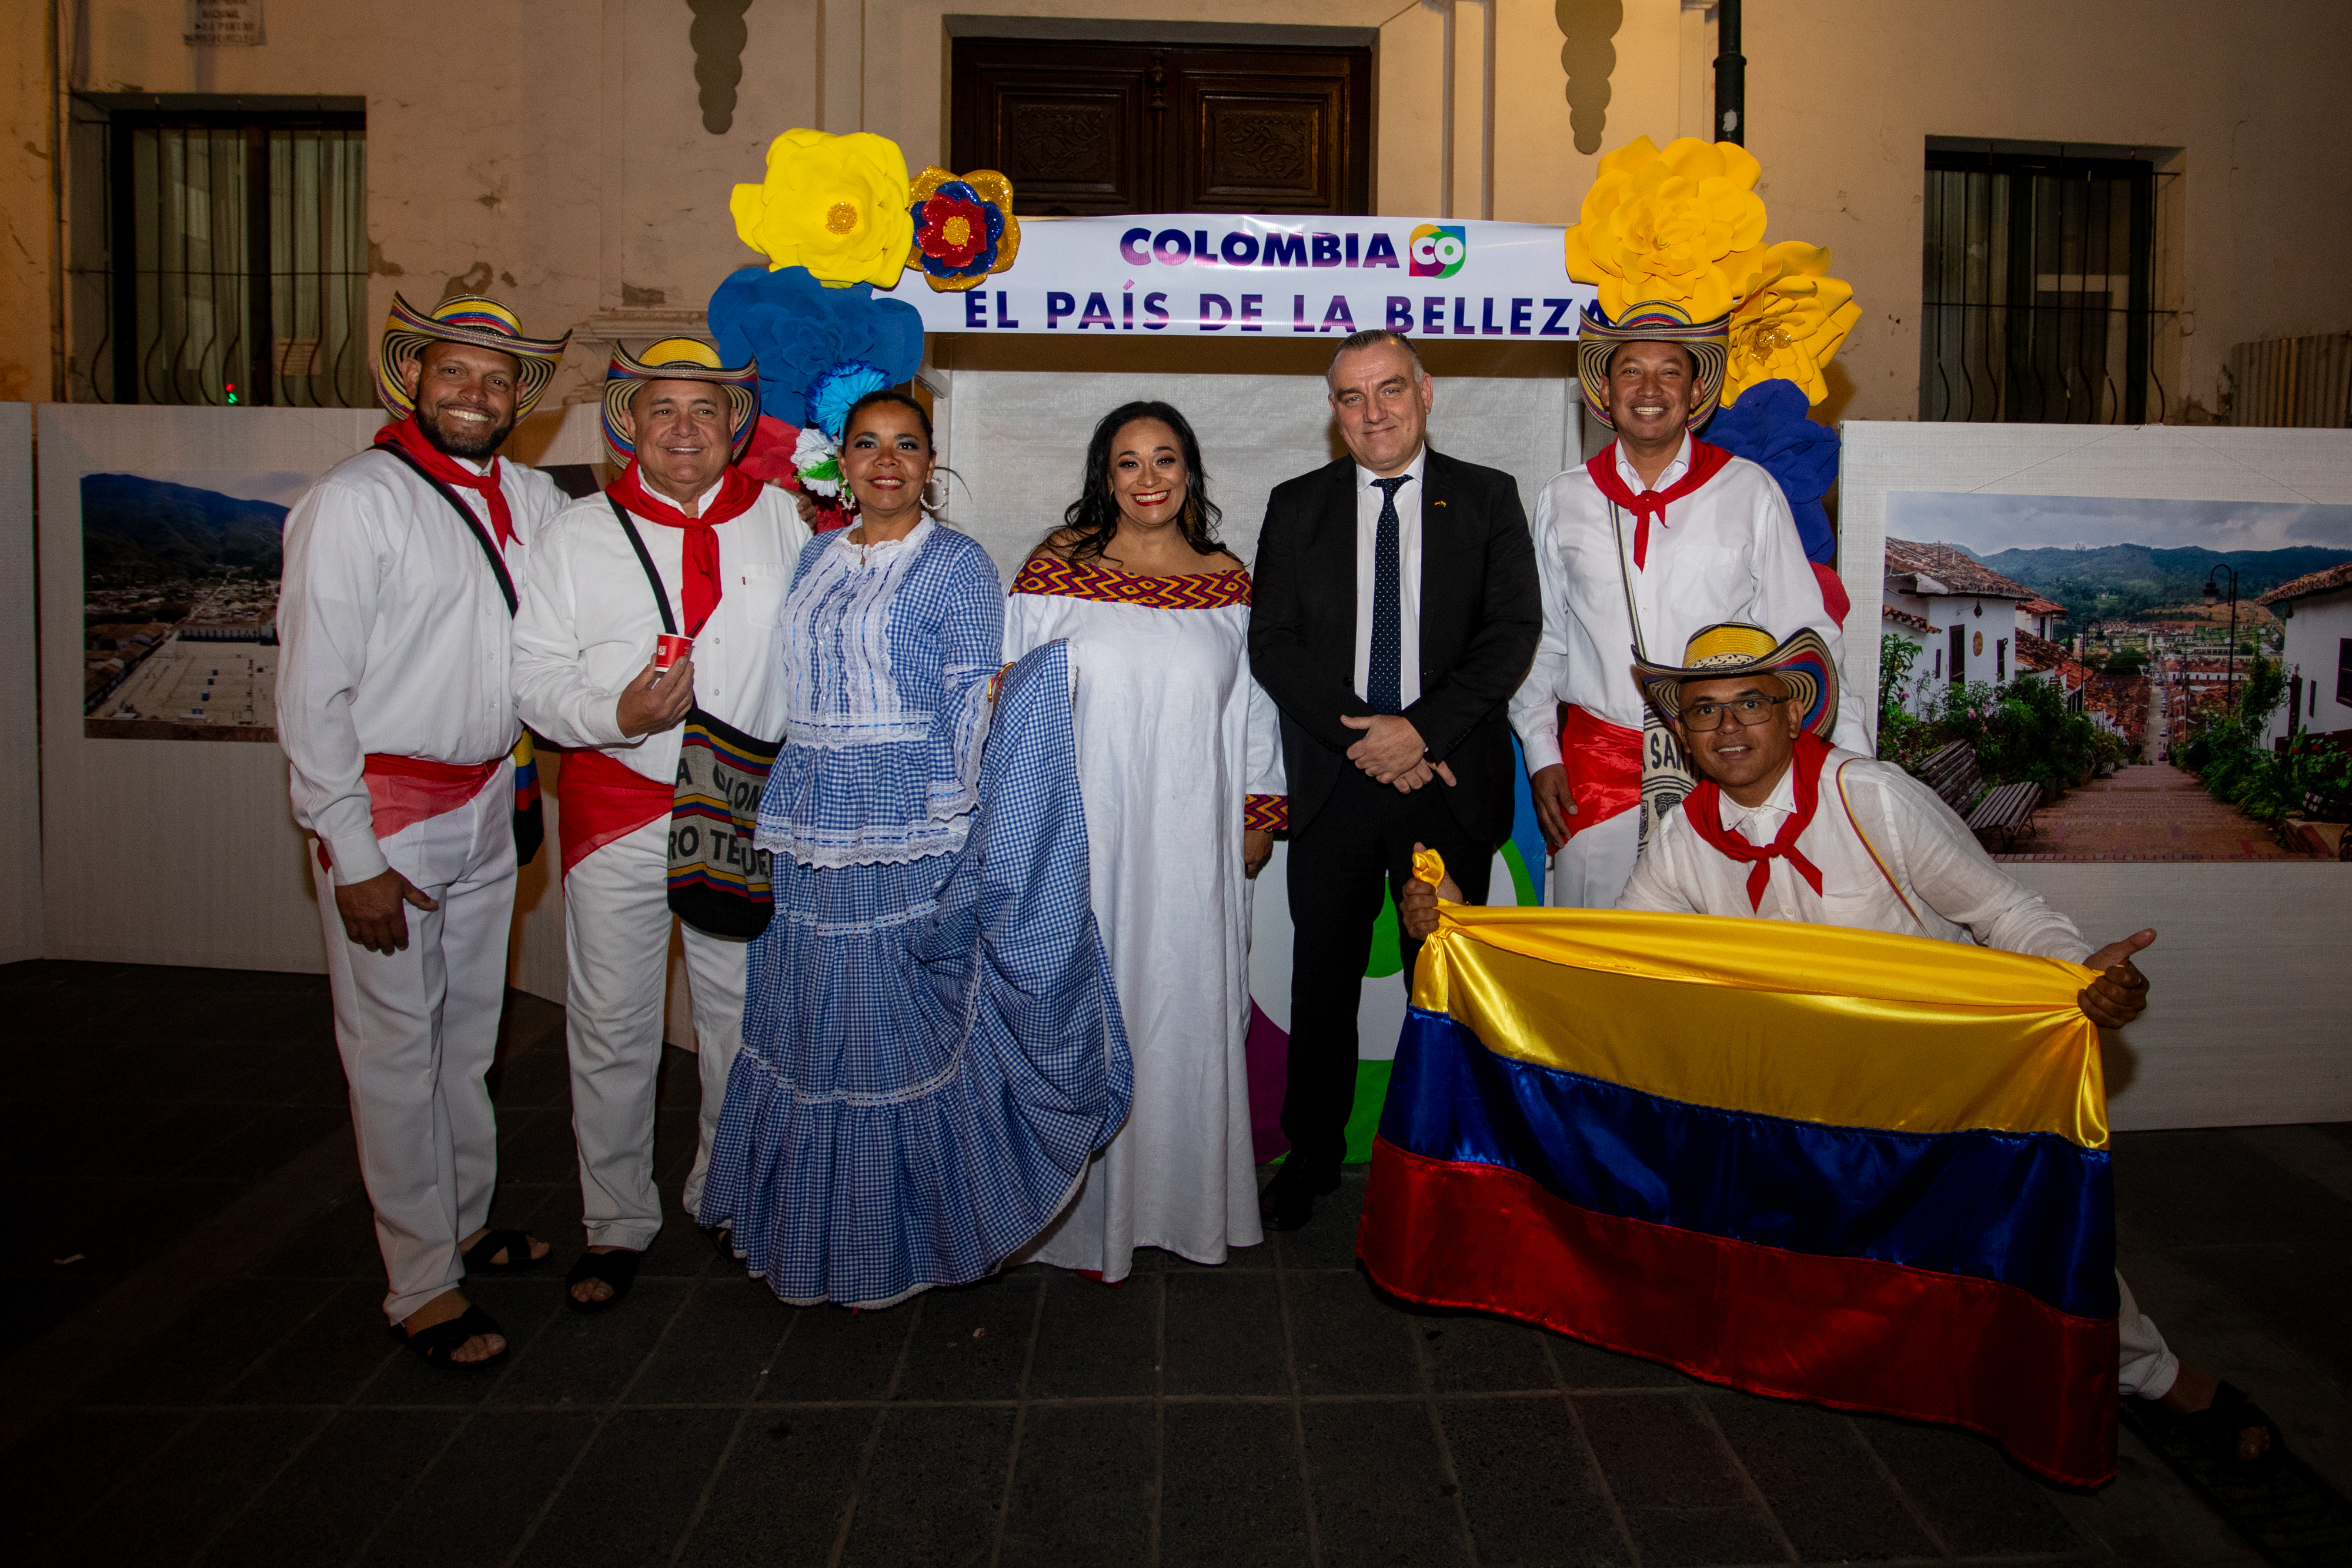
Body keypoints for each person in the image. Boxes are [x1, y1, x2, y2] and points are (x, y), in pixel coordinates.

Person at [1404, 620, 2278, 1468]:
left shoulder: (1875, 799)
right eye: (1703, 710)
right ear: (1682, 731)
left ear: (1794, 711)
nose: (1728, 726)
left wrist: (2076, 978)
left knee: (2026, 1224)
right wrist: (1471, 934)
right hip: (1800, 1093)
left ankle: (2160, 1375)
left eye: (1752, 703)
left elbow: (2005, 911)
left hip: (1932, 1078)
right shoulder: (1682, 839)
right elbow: (1617, 965)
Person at [697, 390, 1131, 1307]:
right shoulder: (815, 555)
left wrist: (969, 809)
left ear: (932, 461)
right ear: (840, 461)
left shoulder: (959, 564)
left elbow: (968, 699)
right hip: (811, 818)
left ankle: (899, 1238)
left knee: (894, 1032)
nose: (886, 461)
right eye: (868, 445)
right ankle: (814, 1232)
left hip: (906, 825)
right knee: (811, 1024)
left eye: (906, 445)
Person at [276, 293, 571, 1368]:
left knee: (467, 1036)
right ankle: (417, 1282)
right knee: (395, 1049)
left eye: (497, 380)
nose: (476, 395)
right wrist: (348, 852)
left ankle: (465, 1221)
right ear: (415, 378)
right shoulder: (356, 501)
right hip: (389, 819)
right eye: (456, 374)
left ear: (521, 400)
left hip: (493, 796)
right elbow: (311, 694)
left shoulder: (535, 497)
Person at [513, 339, 810, 1312]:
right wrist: (614, 717)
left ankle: (721, 1193)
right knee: (611, 1023)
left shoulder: (786, 522)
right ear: (629, 423)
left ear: (736, 425)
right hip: (616, 807)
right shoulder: (576, 534)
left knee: (736, 1019)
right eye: (662, 409)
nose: (685, 428)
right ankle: (616, 1219)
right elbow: (533, 674)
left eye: (705, 409)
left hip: (738, 810)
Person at [1248, 330, 1541, 1231]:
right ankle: (1315, 1153)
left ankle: (1450, 1155)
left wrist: (1420, 730)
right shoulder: (1297, 505)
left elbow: (1510, 633)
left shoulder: (1487, 497)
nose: (1372, 411)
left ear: (1426, 391)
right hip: (1340, 784)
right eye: (1350, 397)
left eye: (1388, 390)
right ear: (1333, 412)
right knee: (1322, 978)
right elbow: (1274, 644)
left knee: (1444, 976)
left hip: (1442, 778)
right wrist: (1368, 737)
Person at [1007, 402, 1285, 1281]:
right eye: (1128, 462)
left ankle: (1183, 1204)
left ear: (1191, 472)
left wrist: (1255, 813)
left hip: (1193, 849)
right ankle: (1077, 1220)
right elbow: (1007, 699)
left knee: (1184, 1008)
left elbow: (1253, 711)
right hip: (1082, 839)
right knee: (1086, 1011)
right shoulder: (1056, 569)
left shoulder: (1228, 581)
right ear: (1106, 476)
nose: (1149, 477)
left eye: (1166, 459)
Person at [1505, 302, 1866, 913]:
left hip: (1724, 762)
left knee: (1712, 960)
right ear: (1604, 388)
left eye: (1669, 371)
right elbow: (1543, 640)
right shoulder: (1563, 498)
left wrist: (1851, 771)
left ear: (1696, 389)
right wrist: (1542, 753)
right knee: (1596, 960)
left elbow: (1806, 636)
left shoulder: (1749, 489)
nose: (1649, 389)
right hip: (1597, 768)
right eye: (1630, 371)